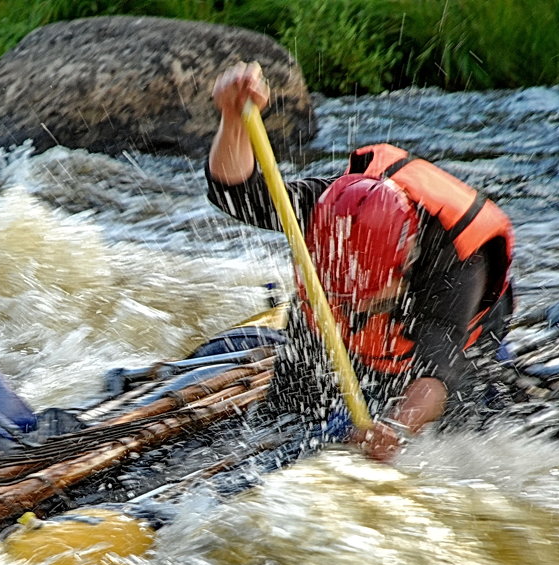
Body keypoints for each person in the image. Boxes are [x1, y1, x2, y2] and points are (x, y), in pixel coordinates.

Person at [207, 62, 514, 462]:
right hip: (332, 319)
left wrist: (395, 429)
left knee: (454, 415)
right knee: (282, 411)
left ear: (405, 264)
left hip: (451, 334)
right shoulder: (325, 208)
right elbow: (238, 194)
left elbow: (437, 375)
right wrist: (232, 119)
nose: (351, 305)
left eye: (362, 295)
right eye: (342, 292)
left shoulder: (455, 266)